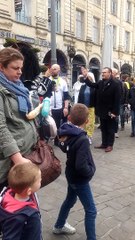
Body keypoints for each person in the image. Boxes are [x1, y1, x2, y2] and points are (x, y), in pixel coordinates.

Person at [53, 103, 97, 240]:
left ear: (70, 118)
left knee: (70, 200)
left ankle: (59, 226)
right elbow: (81, 165)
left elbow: (61, 145)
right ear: (87, 121)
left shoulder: (67, 132)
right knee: (91, 210)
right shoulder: (82, 139)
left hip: (71, 175)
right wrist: (90, 171)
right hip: (79, 179)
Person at [0, 47, 39, 191]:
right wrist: (18, 160)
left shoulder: (18, 86)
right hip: (9, 163)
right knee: (8, 207)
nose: (20, 72)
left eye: (21, 68)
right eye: (15, 68)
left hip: (25, 154)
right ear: (1, 67)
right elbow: (1, 128)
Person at [82, 67, 121, 152]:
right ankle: (104, 143)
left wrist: (115, 112)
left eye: (104, 72)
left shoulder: (115, 84)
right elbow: (92, 84)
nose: (102, 74)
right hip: (102, 110)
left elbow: (117, 100)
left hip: (111, 111)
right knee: (103, 128)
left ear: (110, 73)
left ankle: (110, 145)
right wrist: (85, 77)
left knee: (110, 129)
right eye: (102, 72)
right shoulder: (100, 82)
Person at [0, 162, 42, 240]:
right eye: (39, 181)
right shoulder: (31, 216)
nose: (41, 181)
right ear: (29, 191)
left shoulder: (5, 197)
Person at [49, 64, 69, 145]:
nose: (53, 70)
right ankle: (47, 140)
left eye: (55, 69)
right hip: (48, 107)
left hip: (58, 107)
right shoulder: (47, 80)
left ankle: (57, 141)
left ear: (59, 70)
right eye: (52, 69)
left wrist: (66, 107)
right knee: (48, 125)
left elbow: (66, 96)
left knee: (57, 124)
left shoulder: (63, 82)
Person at [78, 67, 96, 144]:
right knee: (83, 122)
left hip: (91, 107)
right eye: (87, 77)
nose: (88, 78)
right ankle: (83, 135)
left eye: (89, 77)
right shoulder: (82, 86)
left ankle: (89, 136)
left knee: (90, 122)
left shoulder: (94, 87)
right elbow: (79, 96)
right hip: (83, 107)